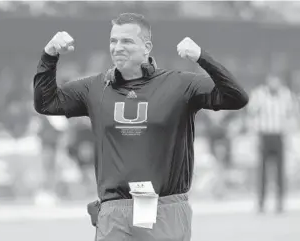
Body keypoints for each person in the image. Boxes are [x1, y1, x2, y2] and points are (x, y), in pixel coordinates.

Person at [33, 13, 248, 241]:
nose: (117, 47)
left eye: (127, 41)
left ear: (147, 47)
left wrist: (202, 57)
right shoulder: (95, 89)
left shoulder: (179, 85)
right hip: (114, 211)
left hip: (165, 209)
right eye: (113, 41)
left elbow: (236, 97)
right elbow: (46, 103)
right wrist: (49, 55)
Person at [247, 73, 297, 213]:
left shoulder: (286, 95)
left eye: (276, 81)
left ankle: (280, 202)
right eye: (271, 81)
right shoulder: (259, 94)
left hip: (279, 135)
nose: (274, 83)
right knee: (262, 171)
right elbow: (251, 114)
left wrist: (289, 135)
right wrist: (254, 135)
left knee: (280, 171)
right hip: (264, 135)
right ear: (267, 81)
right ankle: (261, 202)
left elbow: (291, 114)